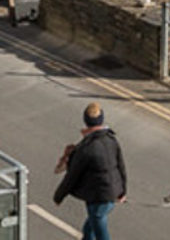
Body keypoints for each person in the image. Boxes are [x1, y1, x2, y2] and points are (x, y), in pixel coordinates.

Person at [52, 101, 125, 240]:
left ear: (85, 121)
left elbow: (72, 176)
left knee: (98, 222)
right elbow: (121, 166)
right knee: (88, 229)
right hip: (112, 194)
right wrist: (123, 192)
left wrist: (58, 197)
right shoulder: (111, 139)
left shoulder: (86, 149)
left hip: (97, 198)